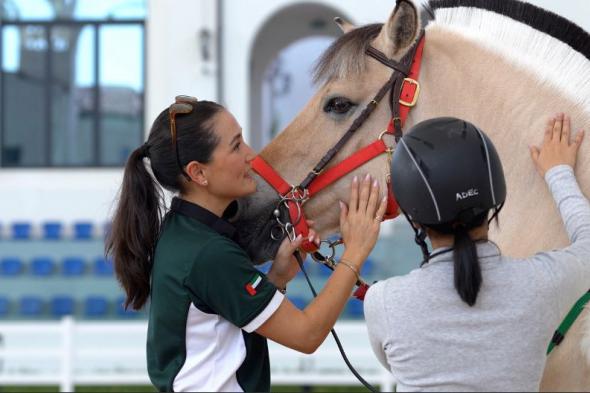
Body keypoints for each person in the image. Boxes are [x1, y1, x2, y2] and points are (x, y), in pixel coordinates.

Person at [106, 95, 387, 392]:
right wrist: (355, 251)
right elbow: (306, 335)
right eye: (237, 145)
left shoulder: (184, 233)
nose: (253, 156)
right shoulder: (208, 253)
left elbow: (228, 324)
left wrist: (277, 277)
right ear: (198, 173)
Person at [364, 114, 589, 391]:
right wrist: (559, 172)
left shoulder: (384, 302)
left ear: (415, 217)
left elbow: (395, 363)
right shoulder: (542, 284)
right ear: (494, 194)